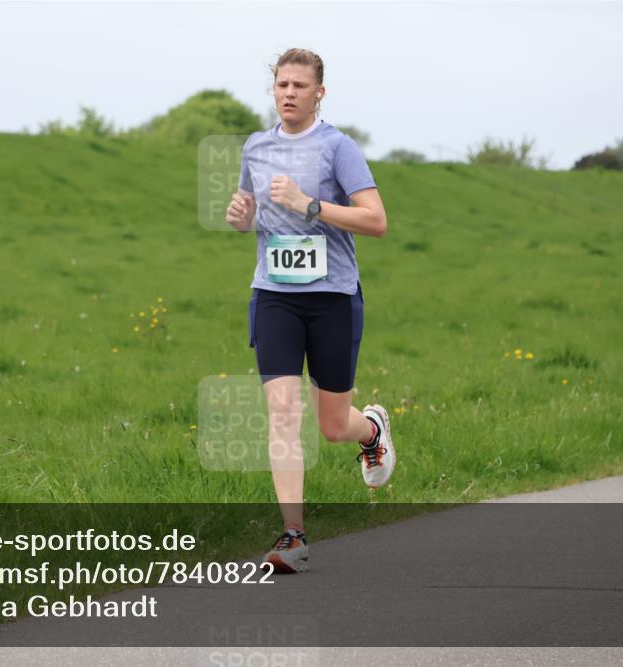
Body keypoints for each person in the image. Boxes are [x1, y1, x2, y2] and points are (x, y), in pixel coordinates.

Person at [224, 48, 395, 574]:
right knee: (281, 412)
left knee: (330, 425)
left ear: (320, 92)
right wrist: (241, 216)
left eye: (300, 85)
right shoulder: (255, 147)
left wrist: (310, 204)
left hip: (332, 297)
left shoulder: (338, 148)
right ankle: (294, 535)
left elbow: (376, 221)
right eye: (281, 85)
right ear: (272, 91)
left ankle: (369, 430)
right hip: (274, 294)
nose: (289, 93)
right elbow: (250, 219)